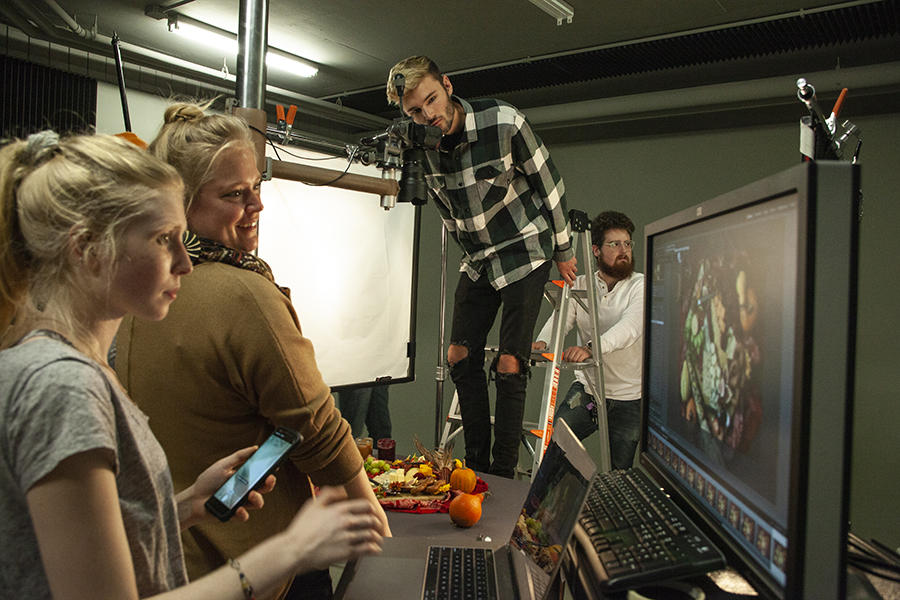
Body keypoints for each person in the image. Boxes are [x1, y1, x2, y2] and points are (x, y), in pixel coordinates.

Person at [0, 132, 383, 600]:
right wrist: (291, 549)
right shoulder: (63, 387)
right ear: (86, 248)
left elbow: (72, 543)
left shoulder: (55, 365)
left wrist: (182, 507)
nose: (185, 262)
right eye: (164, 240)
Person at [113, 103, 391, 600]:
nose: (256, 206)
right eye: (234, 194)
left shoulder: (142, 293)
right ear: (182, 202)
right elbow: (318, 430)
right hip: (264, 569)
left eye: (256, 187)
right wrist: (384, 546)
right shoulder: (246, 295)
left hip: (178, 560)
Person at [386, 56, 577, 479]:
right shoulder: (417, 143)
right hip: (479, 257)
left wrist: (563, 250)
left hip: (525, 247)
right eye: (415, 111)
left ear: (448, 86)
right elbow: (441, 205)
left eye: (432, 100)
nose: (428, 115)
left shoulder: (503, 121)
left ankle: (502, 474)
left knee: (510, 362)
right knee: (458, 355)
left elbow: (550, 184)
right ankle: (474, 468)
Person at [533, 211, 644, 470]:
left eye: (627, 243)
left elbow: (630, 327)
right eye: (614, 244)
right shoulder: (581, 285)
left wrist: (590, 349)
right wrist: (543, 343)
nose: (623, 250)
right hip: (588, 391)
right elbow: (561, 320)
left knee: (620, 474)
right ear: (595, 250)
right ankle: (548, 508)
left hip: (629, 399)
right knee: (555, 449)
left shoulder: (640, 285)